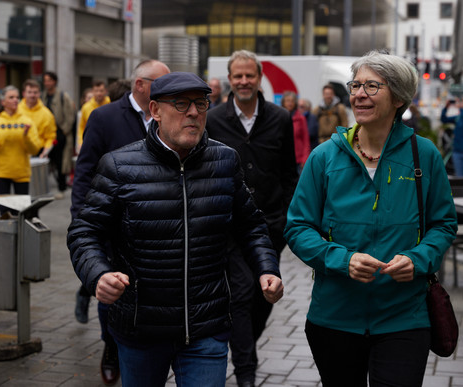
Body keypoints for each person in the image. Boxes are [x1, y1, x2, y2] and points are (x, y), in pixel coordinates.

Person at [67, 71, 284, 387]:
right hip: (142, 328)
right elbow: (85, 231)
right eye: (181, 104)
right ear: (155, 111)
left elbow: (251, 226)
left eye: (201, 103)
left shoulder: (224, 161)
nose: (194, 112)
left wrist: (267, 268)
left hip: (205, 327)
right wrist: (98, 274)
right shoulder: (119, 166)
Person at [284, 50, 458, 387]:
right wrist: (342, 259)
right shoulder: (324, 157)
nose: (359, 94)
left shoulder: (424, 155)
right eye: (356, 85)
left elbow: (444, 224)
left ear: (399, 97)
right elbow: (298, 226)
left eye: (372, 86)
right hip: (334, 317)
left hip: (404, 318)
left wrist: (418, 259)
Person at [70, 59, 170, 385]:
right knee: (110, 287)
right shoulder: (105, 117)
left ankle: (132, 343)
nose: (170, 89)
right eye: (161, 82)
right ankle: (110, 345)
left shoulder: (168, 115)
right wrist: (81, 217)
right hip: (110, 222)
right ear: (140, 85)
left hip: (153, 225)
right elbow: (84, 170)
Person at [206, 49, 298, 387]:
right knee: (242, 294)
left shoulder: (280, 117)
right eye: (237, 76)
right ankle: (246, 370)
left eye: (249, 75)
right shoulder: (214, 119)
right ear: (229, 79)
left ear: (259, 79)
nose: (243, 81)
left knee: (265, 295)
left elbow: (289, 172)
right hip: (229, 226)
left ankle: (245, 345)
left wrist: (288, 218)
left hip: (272, 225)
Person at [0, 86, 41, 215]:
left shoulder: (26, 122)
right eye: (11, 97)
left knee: (21, 212)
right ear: (3, 102)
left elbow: (35, 149)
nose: (15, 100)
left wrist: (26, 136)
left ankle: (20, 236)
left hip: (21, 172)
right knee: (4, 212)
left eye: (17, 97)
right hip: (1, 172)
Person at [42, 71, 76, 199]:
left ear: (54, 81)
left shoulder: (63, 96)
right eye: (45, 80)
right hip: (47, 134)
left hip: (61, 134)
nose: (47, 83)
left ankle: (61, 187)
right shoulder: (44, 96)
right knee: (48, 160)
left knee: (61, 161)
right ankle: (46, 188)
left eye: (49, 80)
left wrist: (64, 131)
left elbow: (70, 116)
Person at [18, 79, 57, 159]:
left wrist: (44, 153)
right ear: (24, 94)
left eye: (35, 92)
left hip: (38, 153)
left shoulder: (47, 114)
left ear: (39, 94)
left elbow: (50, 137)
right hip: (19, 152)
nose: (32, 95)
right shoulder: (16, 111)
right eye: (29, 92)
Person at [76, 80, 110, 154]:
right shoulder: (86, 107)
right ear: (92, 91)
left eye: (101, 91)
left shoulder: (110, 103)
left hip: (108, 142)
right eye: (96, 91)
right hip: (91, 142)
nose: (99, 93)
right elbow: (82, 127)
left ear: (106, 91)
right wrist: (80, 142)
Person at [281, 91, 311, 171]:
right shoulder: (279, 118)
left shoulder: (301, 119)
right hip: (282, 159)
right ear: (283, 102)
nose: (290, 103)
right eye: (287, 101)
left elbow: (306, 140)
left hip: (298, 160)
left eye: (292, 101)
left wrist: (305, 157)